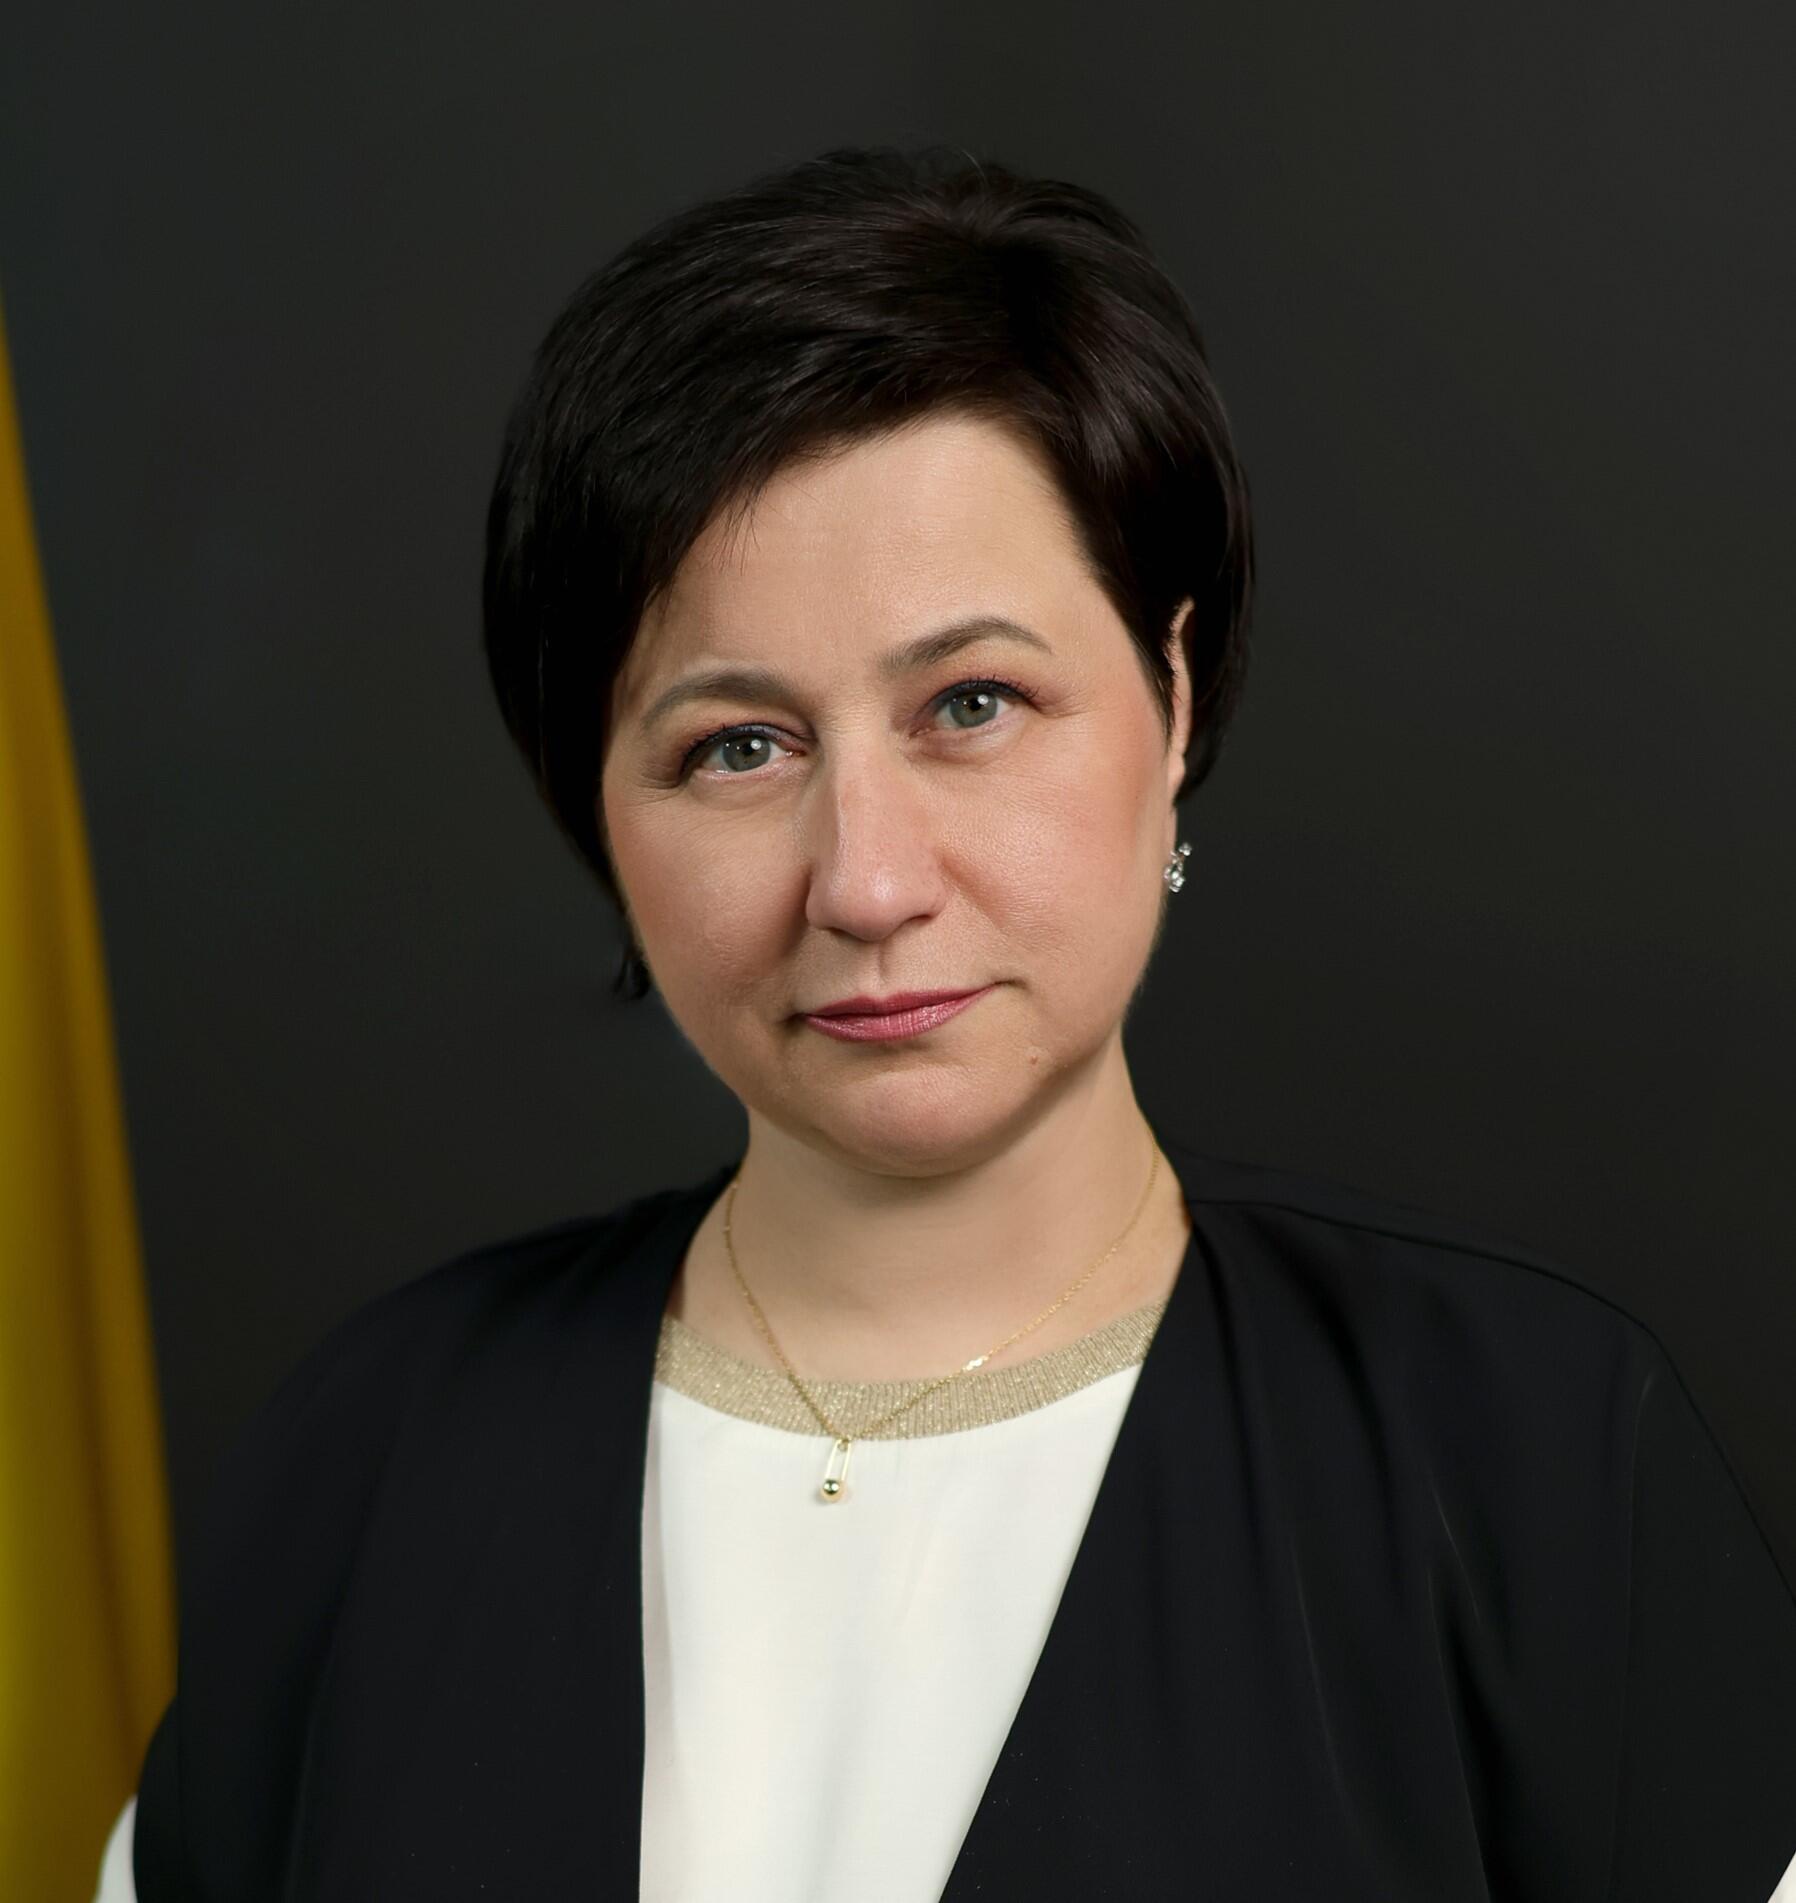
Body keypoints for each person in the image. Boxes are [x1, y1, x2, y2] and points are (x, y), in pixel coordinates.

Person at [102, 144, 1796, 1901]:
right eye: (736, 747)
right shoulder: (368, 1457)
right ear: (592, 808)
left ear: (1173, 696)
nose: (867, 880)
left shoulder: (1537, 1461)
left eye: (973, 703)